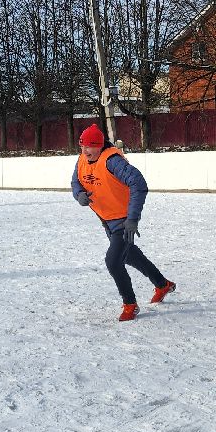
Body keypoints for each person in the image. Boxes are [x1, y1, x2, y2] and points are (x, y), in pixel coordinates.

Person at [71, 124, 176, 322]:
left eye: (91, 146)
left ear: (100, 145)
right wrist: (79, 195)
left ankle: (130, 304)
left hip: (124, 220)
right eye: (83, 146)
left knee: (113, 260)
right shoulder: (82, 160)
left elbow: (139, 184)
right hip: (107, 220)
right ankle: (163, 284)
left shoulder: (112, 161)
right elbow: (76, 182)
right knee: (129, 256)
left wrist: (132, 219)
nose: (86, 151)